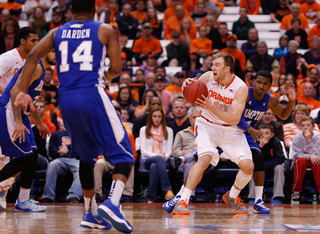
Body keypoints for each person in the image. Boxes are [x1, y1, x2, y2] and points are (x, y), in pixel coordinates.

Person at [15, 0, 135, 232]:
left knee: (86, 158)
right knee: (125, 152)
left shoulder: (56, 32)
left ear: (70, 10)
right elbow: (118, 68)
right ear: (95, 10)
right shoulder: (104, 29)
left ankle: (90, 213)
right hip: (92, 93)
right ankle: (113, 202)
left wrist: (22, 92)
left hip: (67, 99)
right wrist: (107, 76)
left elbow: (31, 58)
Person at [164, 52, 254, 215]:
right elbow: (191, 91)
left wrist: (212, 107)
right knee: (205, 158)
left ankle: (232, 195)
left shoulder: (240, 88)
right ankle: (183, 201)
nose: (212, 67)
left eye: (217, 65)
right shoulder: (207, 77)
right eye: (212, 64)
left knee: (248, 167)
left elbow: (234, 120)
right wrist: (187, 85)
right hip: (207, 125)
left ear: (227, 69)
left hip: (229, 129)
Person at [0, 49, 55, 211]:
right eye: (55, 52)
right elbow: (14, 91)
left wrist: (39, 123)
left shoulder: (41, 71)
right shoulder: (35, 67)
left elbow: (28, 101)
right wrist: (18, 120)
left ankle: (23, 200)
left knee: (33, 155)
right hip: (9, 111)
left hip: (19, 113)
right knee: (25, 158)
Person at [236, 70, 295, 213]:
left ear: (270, 86)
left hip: (245, 133)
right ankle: (183, 196)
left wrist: (292, 100)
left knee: (258, 159)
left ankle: (258, 201)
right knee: (205, 158)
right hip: (229, 131)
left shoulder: (270, 99)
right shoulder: (244, 93)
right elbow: (236, 117)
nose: (261, 86)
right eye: (259, 82)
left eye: (265, 84)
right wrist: (250, 129)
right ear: (253, 82)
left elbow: (283, 114)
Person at [139, 106, 174, 203]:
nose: (157, 119)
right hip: (147, 160)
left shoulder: (169, 130)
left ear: (162, 117)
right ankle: (167, 189)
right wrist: (158, 157)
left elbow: (169, 151)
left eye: (159, 116)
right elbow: (143, 151)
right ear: (150, 117)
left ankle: (151, 198)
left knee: (155, 166)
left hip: (164, 160)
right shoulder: (144, 130)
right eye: (154, 116)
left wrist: (163, 157)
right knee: (157, 160)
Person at [41, 129, 82, 203]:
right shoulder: (56, 134)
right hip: (60, 159)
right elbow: (52, 152)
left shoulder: (80, 134)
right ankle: (48, 196)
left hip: (76, 159)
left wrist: (68, 149)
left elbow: (82, 149)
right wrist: (61, 152)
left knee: (81, 169)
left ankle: (73, 196)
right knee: (52, 165)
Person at [170, 106, 202, 199]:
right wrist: (185, 152)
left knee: (199, 150)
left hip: (205, 161)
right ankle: (190, 196)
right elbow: (175, 152)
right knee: (190, 164)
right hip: (187, 164)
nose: (196, 120)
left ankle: (187, 196)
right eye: (194, 117)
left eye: (199, 117)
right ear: (189, 118)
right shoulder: (181, 133)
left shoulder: (208, 132)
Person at [291, 116, 320, 204]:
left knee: (317, 162)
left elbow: (317, 155)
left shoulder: (317, 138)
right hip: (301, 160)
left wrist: (308, 141)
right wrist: (309, 156)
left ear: (313, 127)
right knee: (301, 161)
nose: (305, 127)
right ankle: (296, 191)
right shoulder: (297, 138)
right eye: (303, 125)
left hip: (314, 159)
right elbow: (297, 155)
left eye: (308, 125)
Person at [257, 124, 286, 204]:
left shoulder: (276, 142)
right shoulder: (254, 141)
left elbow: (280, 159)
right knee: (253, 167)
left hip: (272, 166)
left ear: (272, 135)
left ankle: (278, 196)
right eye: (261, 133)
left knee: (280, 167)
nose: (264, 135)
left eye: (267, 133)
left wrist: (265, 165)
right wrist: (261, 146)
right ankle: (253, 197)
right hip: (260, 166)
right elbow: (254, 159)